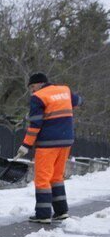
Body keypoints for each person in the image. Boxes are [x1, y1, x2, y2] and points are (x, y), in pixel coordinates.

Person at [17, 72, 83, 224]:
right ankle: (61, 211)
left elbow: (35, 124)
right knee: (57, 177)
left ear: (40, 84)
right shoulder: (64, 90)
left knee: (42, 179)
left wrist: (26, 145)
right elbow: (79, 101)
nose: (32, 91)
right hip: (66, 141)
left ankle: (43, 214)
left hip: (48, 144)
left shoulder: (38, 97)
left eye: (33, 87)